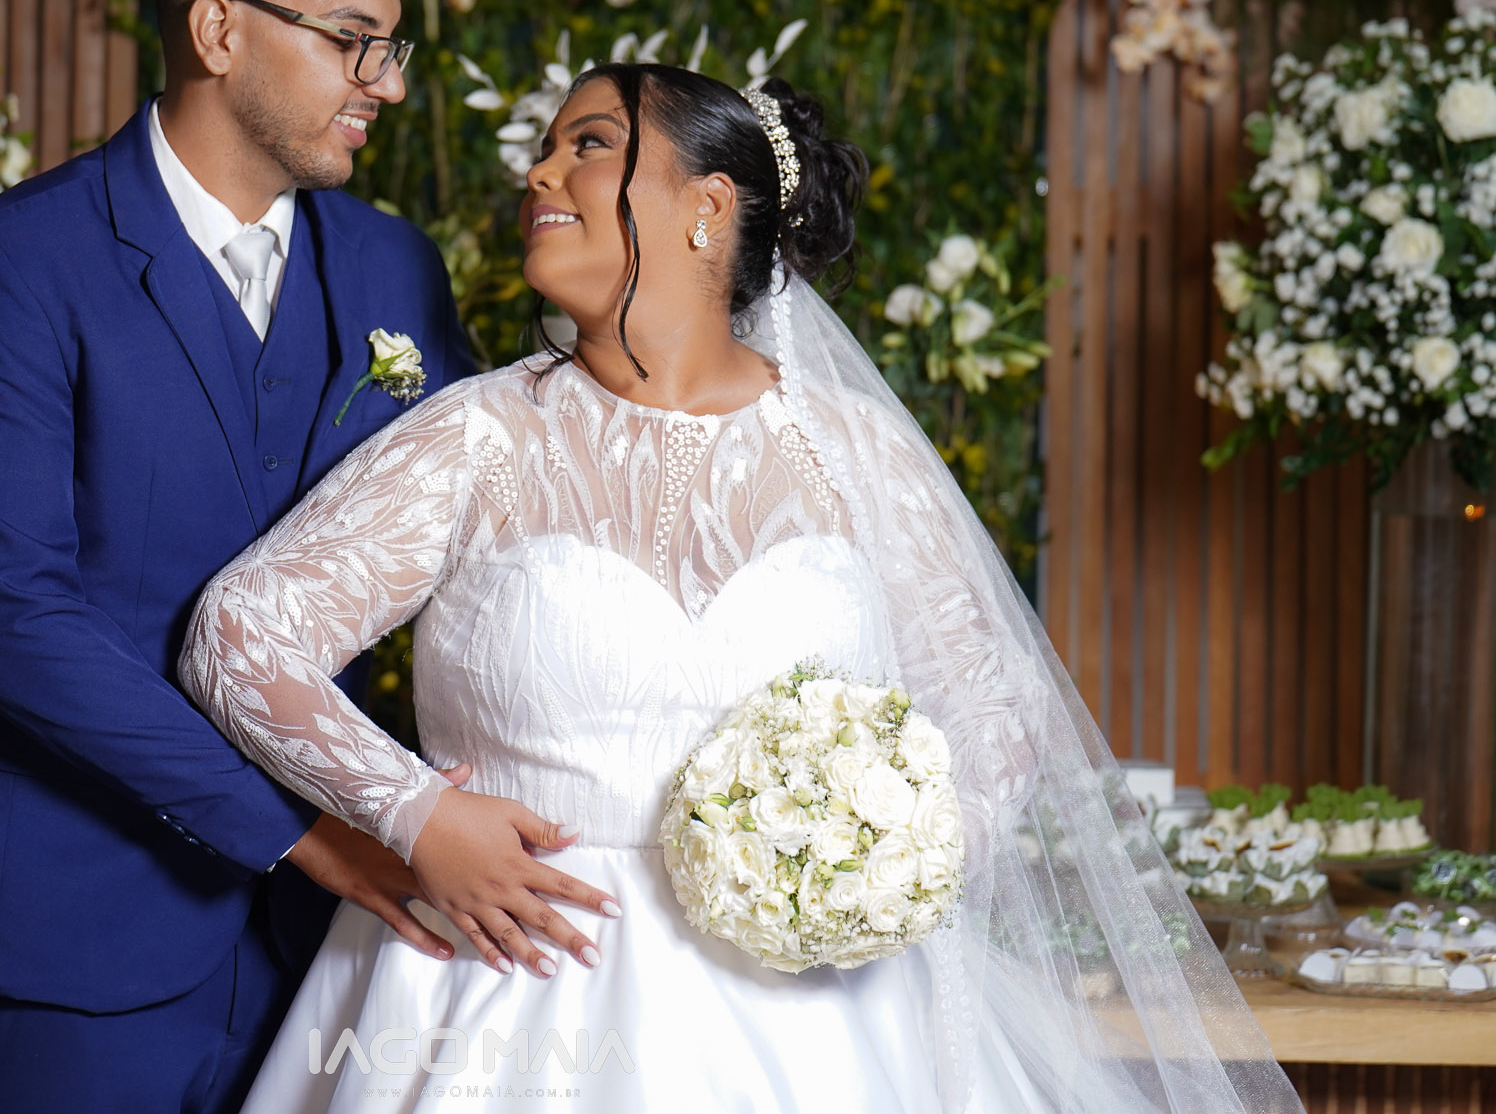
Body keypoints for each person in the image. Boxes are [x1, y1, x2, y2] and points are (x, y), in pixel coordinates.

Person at [179, 63, 1307, 1111]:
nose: (540, 172)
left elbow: (993, 702)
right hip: (507, 987)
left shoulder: (853, 453)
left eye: (589, 144)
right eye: (545, 148)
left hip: (823, 1016)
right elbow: (238, 634)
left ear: (706, 207)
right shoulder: (475, 439)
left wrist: (872, 867)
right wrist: (415, 813)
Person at [0, 0, 493, 1114]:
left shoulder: (393, 268)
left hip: (335, 947)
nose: (385, 83)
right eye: (353, 42)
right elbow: (7, 619)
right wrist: (309, 831)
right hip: (63, 925)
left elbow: (481, 539)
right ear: (218, 30)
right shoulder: (16, 260)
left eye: (391, 49)